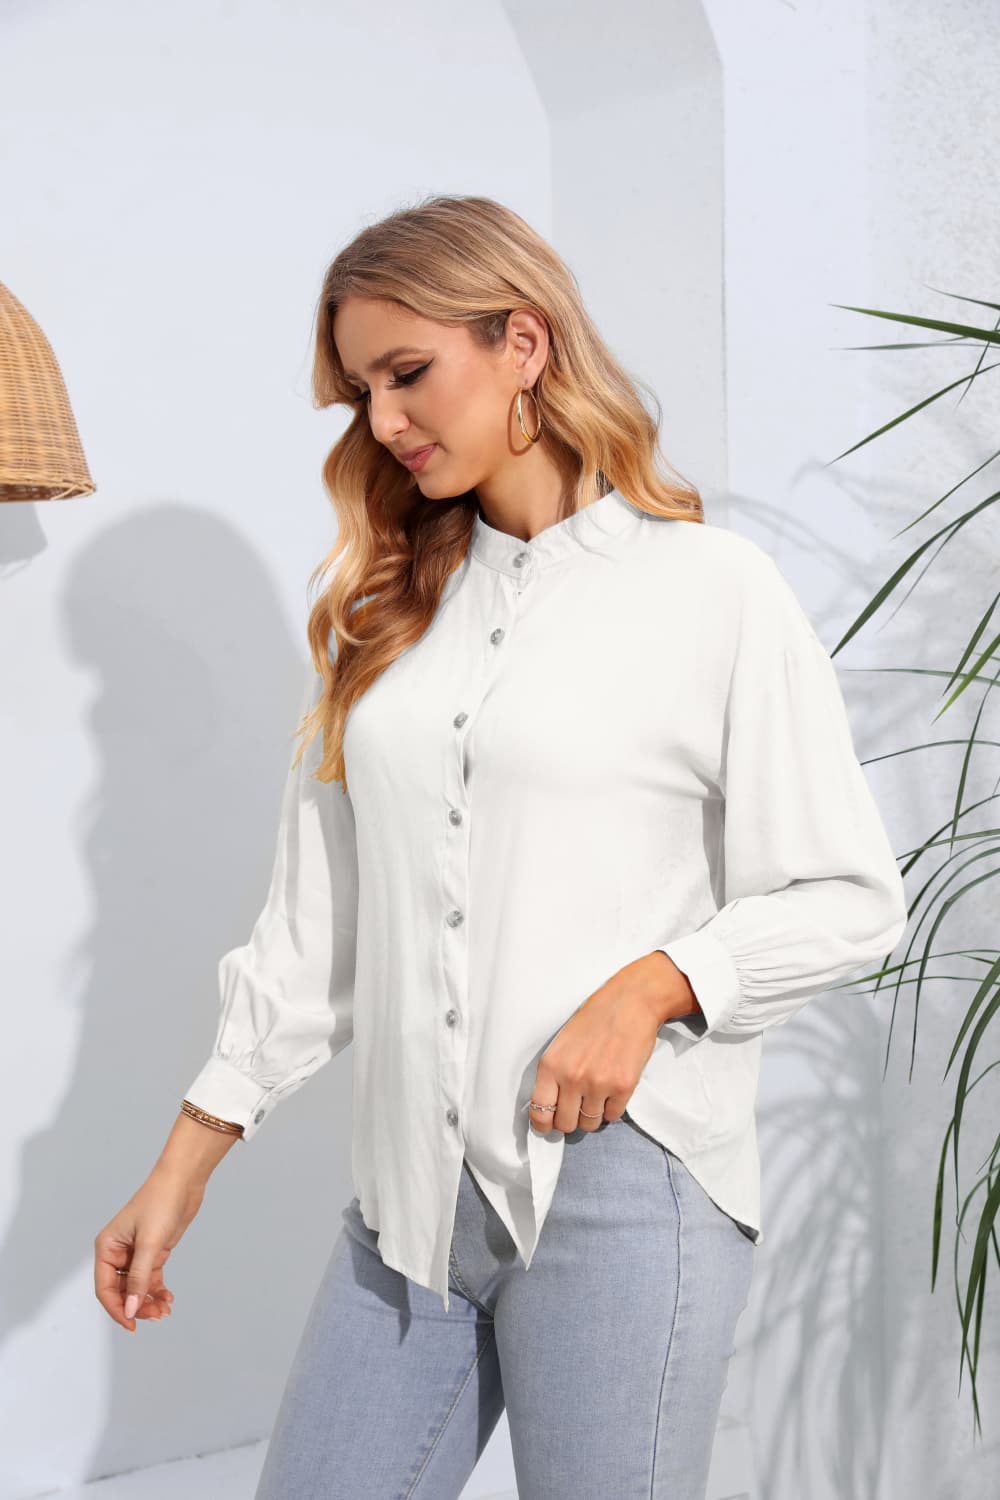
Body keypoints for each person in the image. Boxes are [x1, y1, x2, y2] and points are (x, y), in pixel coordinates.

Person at [93, 194, 909, 1498]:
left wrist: (654, 986)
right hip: (406, 1206)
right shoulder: (378, 625)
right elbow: (315, 941)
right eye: (363, 391)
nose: (384, 421)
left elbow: (850, 896)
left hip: (625, 1191)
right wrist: (179, 1170)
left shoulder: (712, 593)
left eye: (407, 372)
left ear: (522, 342)